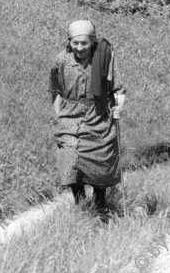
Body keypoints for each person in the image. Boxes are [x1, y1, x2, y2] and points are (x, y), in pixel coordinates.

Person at [48, 20, 127, 214]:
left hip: (98, 115)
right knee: (69, 159)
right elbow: (55, 90)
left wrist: (119, 106)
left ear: (92, 41)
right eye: (75, 43)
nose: (80, 47)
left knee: (100, 162)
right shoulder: (61, 60)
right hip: (69, 116)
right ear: (69, 42)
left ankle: (100, 205)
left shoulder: (105, 58)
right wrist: (59, 115)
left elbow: (119, 89)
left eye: (84, 43)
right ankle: (81, 205)